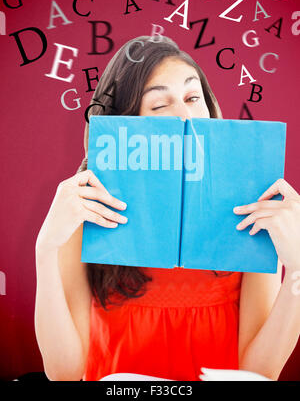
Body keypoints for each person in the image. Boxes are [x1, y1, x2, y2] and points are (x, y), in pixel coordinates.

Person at [34, 35, 300, 381]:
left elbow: (260, 372)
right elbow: (63, 373)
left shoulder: (254, 210)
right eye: (160, 105)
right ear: (125, 124)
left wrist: (297, 271)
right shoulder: (87, 213)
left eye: (193, 97)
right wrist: (45, 250)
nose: (185, 115)